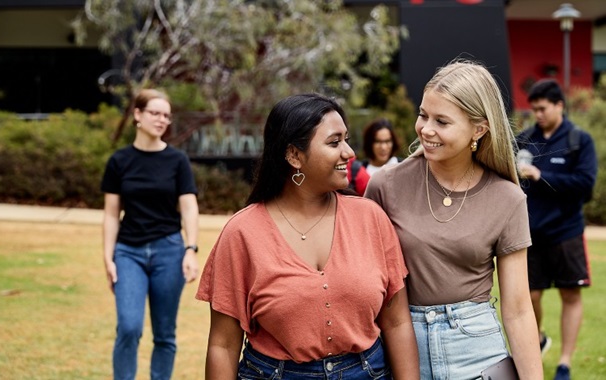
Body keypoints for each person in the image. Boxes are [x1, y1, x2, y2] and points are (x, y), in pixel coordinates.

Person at [196, 93, 419, 379]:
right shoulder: (242, 233)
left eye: (346, 139)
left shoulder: (371, 218)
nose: (349, 153)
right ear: (294, 155)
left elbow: (397, 323)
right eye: (334, 142)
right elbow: (223, 345)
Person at [365, 60, 544, 379]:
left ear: (479, 129)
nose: (425, 129)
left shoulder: (508, 199)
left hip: (478, 351)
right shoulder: (386, 186)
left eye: (442, 121)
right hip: (403, 348)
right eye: (423, 115)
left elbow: (517, 310)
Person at [101, 89, 200, 380]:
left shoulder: (177, 161)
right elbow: (110, 214)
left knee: (165, 334)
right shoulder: (119, 161)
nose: (162, 120)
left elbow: (189, 208)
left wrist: (190, 249)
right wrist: (108, 258)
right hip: (128, 252)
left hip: (169, 251)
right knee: (129, 327)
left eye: (166, 115)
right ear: (137, 115)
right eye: (155, 113)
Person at [517, 79, 597, 380]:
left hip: (566, 232)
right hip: (530, 233)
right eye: (533, 109)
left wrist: (542, 176)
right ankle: (537, 340)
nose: (537, 114)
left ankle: (564, 363)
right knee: (530, 297)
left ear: (559, 105)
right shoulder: (525, 140)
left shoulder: (579, 140)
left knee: (570, 295)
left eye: (542, 108)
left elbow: (585, 186)